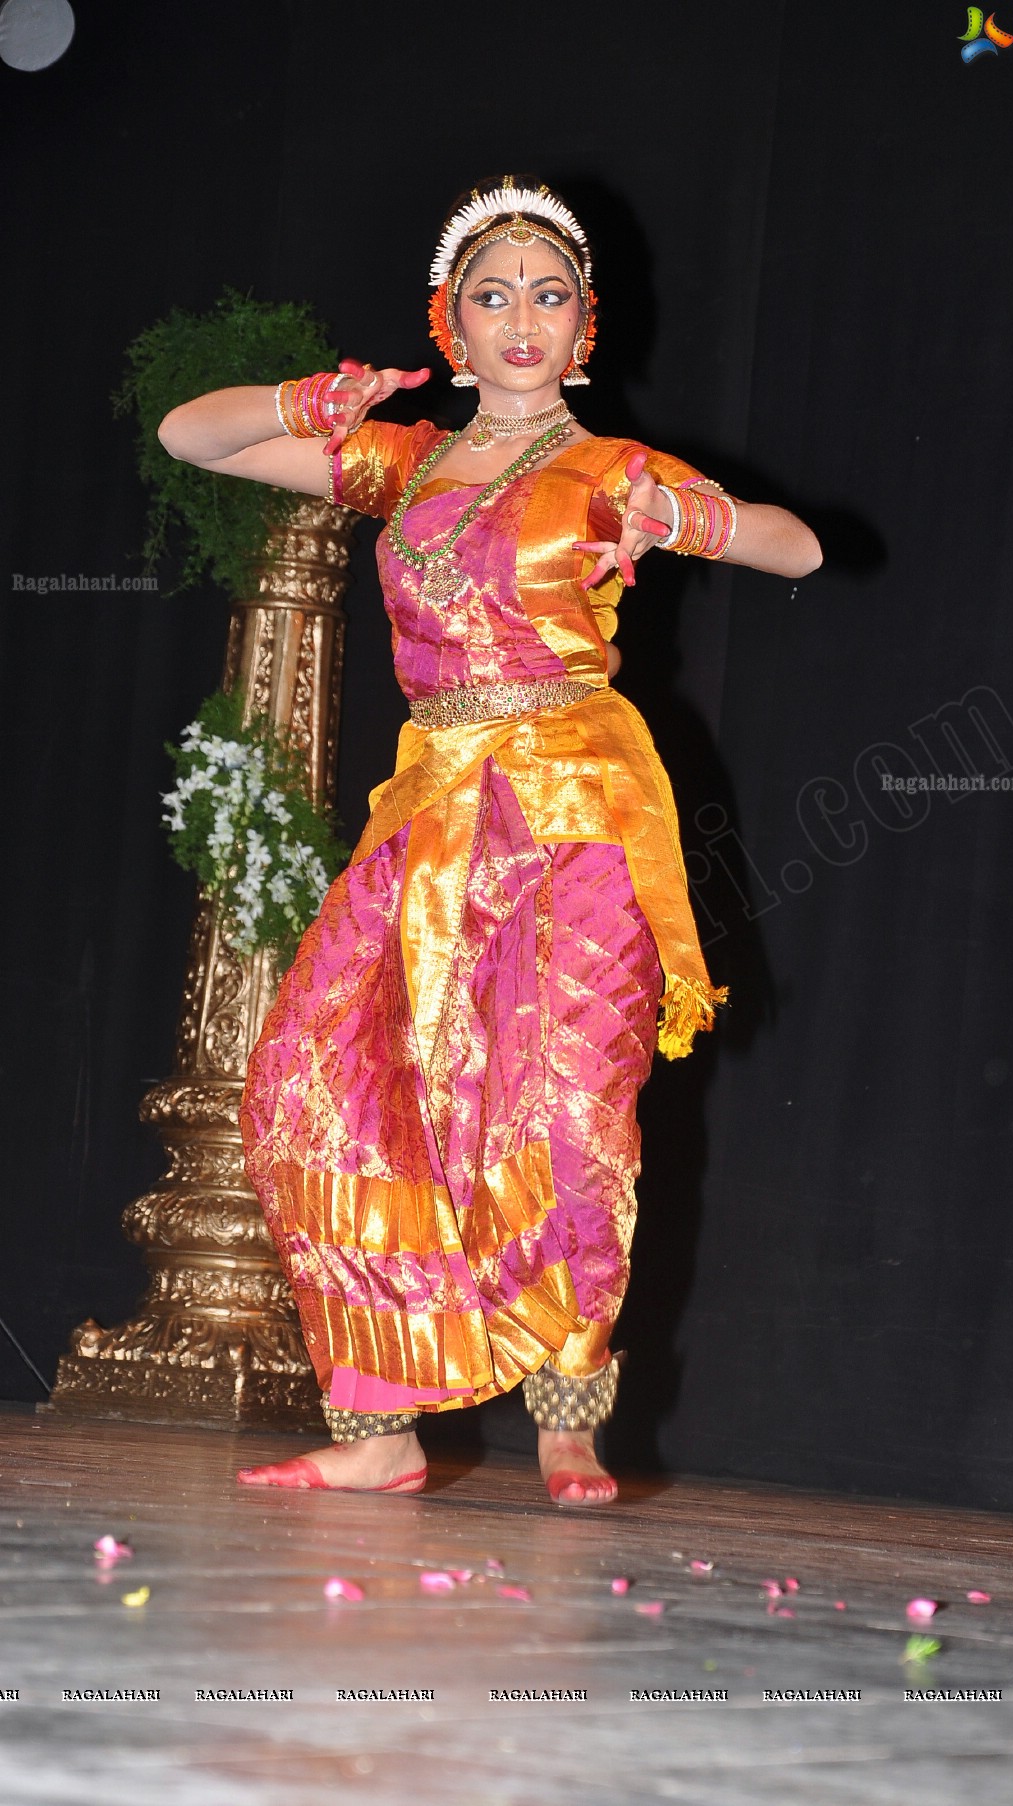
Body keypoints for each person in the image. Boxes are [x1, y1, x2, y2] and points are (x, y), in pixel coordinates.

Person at [157, 177, 822, 1506]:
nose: (522, 317)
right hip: (430, 809)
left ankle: (568, 1410)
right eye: (492, 294)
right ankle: (381, 1421)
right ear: (448, 323)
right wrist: (311, 404)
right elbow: (192, 436)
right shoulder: (404, 462)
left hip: (571, 806)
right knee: (309, 1080)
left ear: (585, 328)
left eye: (549, 294)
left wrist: (688, 520)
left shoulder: (608, 469)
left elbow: (798, 550)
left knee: (564, 1107)